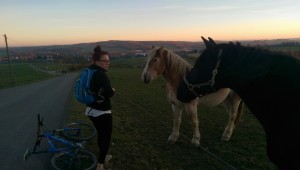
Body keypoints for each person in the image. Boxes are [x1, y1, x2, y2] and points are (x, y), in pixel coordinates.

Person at [85, 45, 115, 170]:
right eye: (105, 61)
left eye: (108, 60)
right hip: (102, 111)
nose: (107, 63)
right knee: (106, 137)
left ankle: (103, 155)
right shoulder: (101, 75)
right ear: (97, 62)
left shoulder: (89, 71)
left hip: (91, 109)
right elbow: (109, 93)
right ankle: (100, 164)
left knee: (101, 134)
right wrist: (112, 90)